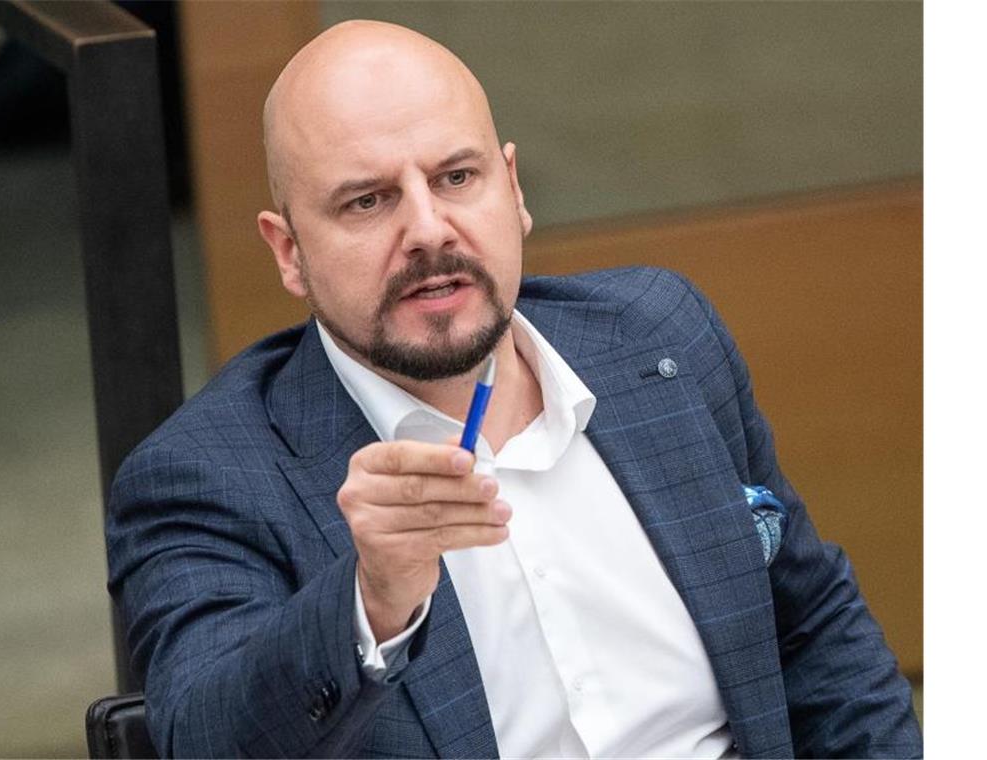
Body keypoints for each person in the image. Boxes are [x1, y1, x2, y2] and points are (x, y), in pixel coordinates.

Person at [106, 20, 922, 759]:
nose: (428, 229)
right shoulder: (206, 476)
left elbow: (813, 634)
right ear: (288, 251)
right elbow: (203, 737)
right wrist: (372, 600)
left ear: (513, 189)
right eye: (368, 200)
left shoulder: (661, 335)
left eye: (456, 178)